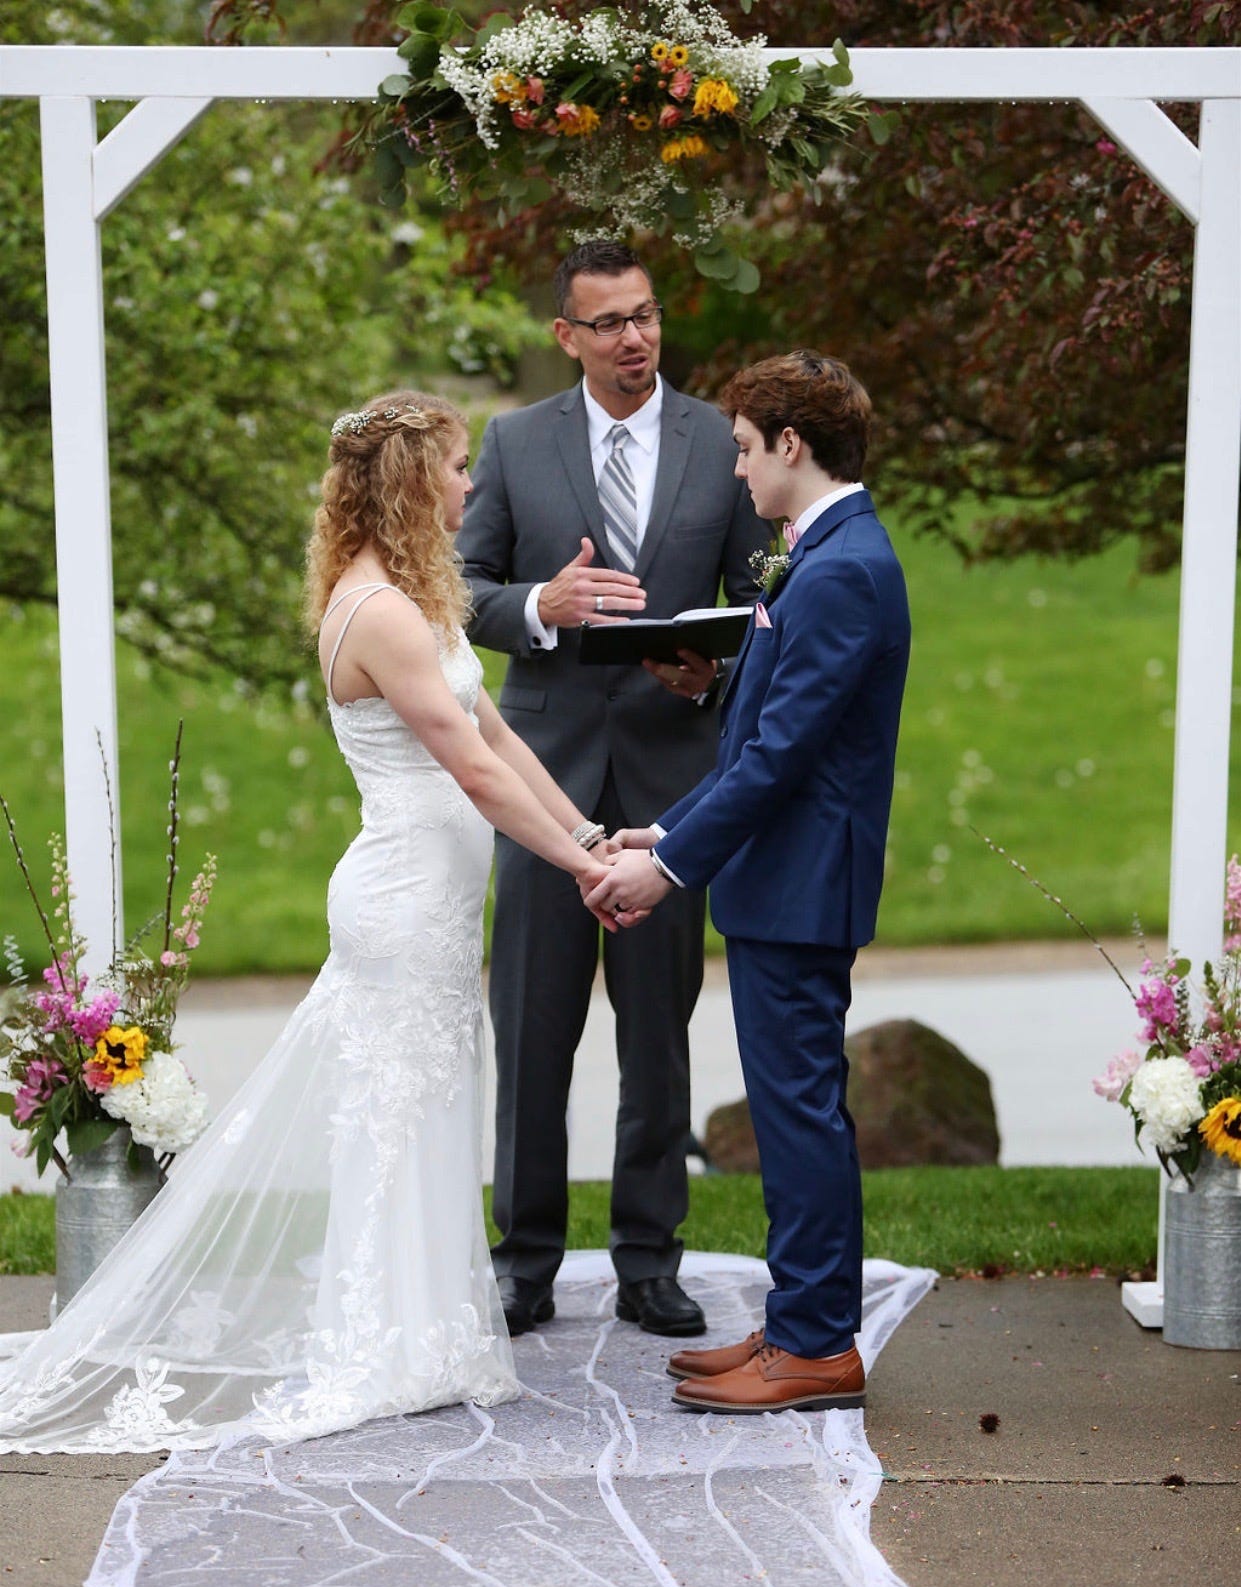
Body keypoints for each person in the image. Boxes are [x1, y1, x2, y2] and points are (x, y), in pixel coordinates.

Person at [0, 391, 615, 1455]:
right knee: (393, 1119)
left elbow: (499, 738)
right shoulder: (376, 611)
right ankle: (381, 1343)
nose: (469, 483)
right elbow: (469, 773)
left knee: (427, 1112)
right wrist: (583, 871)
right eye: (454, 466)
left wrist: (588, 835)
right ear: (410, 480)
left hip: (432, 901)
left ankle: (424, 1333)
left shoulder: (416, 598)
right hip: (401, 900)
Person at [589, 352, 911, 1415]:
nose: (734, 470)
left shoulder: (842, 567)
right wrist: (665, 825)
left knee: (799, 1114)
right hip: (781, 878)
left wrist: (665, 867)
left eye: (741, 448)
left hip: (801, 885)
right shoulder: (818, 555)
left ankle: (815, 1345)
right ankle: (795, 1320)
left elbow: (780, 758)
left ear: (789, 443)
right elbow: (759, 735)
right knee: (786, 1113)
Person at [458, 240, 767, 1341]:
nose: (635, 338)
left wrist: (709, 676)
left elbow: (761, 604)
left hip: (670, 783)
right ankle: (523, 1260)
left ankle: (648, 1260)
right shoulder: (514, 440)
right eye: (609, 323)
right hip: (539, 784)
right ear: (566, 336)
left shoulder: (717, 441)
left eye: (645, 316)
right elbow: (459, 588)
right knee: (531, 1030)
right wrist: (539, 605)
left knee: (656, 1036)